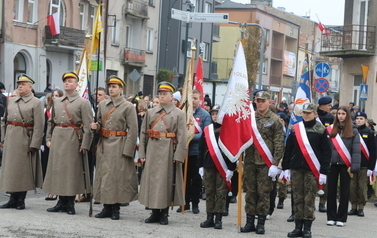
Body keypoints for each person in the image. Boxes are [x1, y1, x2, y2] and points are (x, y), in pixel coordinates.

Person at [43, 71, 93, 215]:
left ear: (76, 85)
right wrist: (48, 138)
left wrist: (85, 144)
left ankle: (69, 202)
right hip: (58, 137)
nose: (67, 83)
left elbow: (88, 125)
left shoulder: (83, 103)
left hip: (73, 138)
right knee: (58, 170)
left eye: (71, 81)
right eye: (65, 81)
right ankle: (61, 201)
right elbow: (51, 122)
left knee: (71, 172)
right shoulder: (57, 101)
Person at [139, 81, 187, 225]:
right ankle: (154, 212)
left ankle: (164, 213)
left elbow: (182, 136)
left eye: (165, 94)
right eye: (160, 93)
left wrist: (178, 155)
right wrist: (142, 153)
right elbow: (143, 133)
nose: (162, 96)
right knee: (153, 181)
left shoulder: (178, 113)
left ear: (172, 96)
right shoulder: (151, 112)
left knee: (166, 182)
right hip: (152, 150)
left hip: (168, 151)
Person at [91, 76, 138, 220]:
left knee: (117, 177)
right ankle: (106, 207)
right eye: (110, 86)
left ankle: (116, 208)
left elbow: (133, 129)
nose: (111, 89)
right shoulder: (103, 104)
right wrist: (96, 126)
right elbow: (99, 122)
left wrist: (128, 150)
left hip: (119, 143)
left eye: (115, 86)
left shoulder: (128, 106)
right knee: (104, 175)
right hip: (104, 143)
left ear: (121, 89)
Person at [282, 103, 331, 238]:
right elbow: (289, 148)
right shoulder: (296, 128)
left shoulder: (321, 129)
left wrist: (324, 171)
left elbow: (326, 152)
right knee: (297, 198)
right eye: (304, 113)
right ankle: (298, 227)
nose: (306, 115)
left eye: (309, 113)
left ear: (315, 114)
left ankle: (307, 228)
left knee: (309, 199)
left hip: (312, 170)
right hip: (297, 167)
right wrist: (285, 167)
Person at [241, 91, 285, 234]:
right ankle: (249, 222)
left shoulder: (275, 120)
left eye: (263, 101)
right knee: (250, 193)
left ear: (269, 102)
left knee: (264, 194)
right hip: (249, 161)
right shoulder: (249, 118)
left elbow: (279, 143)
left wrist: (275, 164)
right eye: (258, 100)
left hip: (266, 163)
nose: (260, 103)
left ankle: (261, 223)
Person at [0, 74, 44, 210]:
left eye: (23, 84)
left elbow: (39, 125)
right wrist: (3, 138)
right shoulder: (11, 101)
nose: (20, 86)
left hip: (26, 138)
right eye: (19, 83)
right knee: (11, 170)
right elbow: (4, 121)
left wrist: (35, 143)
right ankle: (12, 198)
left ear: (30, 87)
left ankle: (21, 200)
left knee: (23, 171)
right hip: (11, 137)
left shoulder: (36, 102)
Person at [198, 106, 236, 229]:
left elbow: (233, 150)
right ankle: (209, 218)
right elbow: (201, 148)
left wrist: (231, 168)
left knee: (220, 193)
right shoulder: (207, 130)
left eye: (217, 114)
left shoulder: (229, 130)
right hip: (208, 164)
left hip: (223, 166)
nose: (215, 116)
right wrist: (200, 165)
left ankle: (218, 218)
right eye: (213, 114)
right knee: (209, 191)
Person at [178, 89, 211, 214]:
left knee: (196, 179)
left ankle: (195, 203)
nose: (193, 101)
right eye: (191, 98)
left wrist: (190, 136)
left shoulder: (205, 115)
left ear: (200, 100)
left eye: (195, 98)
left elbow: (206, 134)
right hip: (184, 150)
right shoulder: (183, 113)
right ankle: (184, 202)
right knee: (184, 178)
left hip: (196, 152)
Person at [326, 106, 360, 227]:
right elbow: (326, 149)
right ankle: (331, 216)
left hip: (346, 165)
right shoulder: (330, 129)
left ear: (347, 115)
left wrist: (354, 166)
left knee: (344, 192)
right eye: (339, 113)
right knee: (331, 191)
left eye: (343, 114)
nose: (340, 116)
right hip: (332, 164)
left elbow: (356, 150)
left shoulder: (354, 131)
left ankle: (341, 217)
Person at [348, 112, 376, 217]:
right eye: (357, 118)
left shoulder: (369, 132)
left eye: (361, 118)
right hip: (352, 164)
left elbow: (373, 151)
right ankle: (353, 206)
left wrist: (371, 167)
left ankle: (361, 207)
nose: (359, 120)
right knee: (352, 187)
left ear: (365, 120)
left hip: (364, 165)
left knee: (362, 187)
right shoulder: (351, 131)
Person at [316, 96, 334, 213]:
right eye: (328, 105)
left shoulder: (331, 117)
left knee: (325, 177)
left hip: (326, 149)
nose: (330, 107)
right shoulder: (315, 115)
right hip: (314, 149)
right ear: (322, 106)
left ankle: (322, 202)